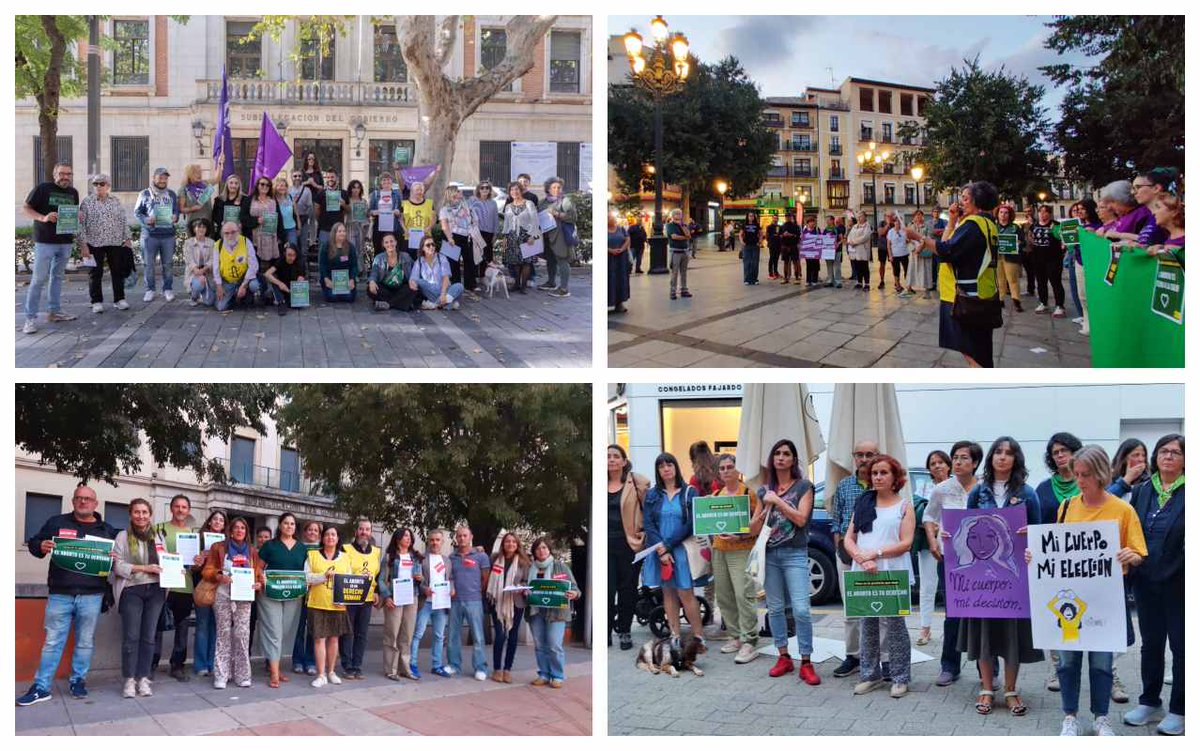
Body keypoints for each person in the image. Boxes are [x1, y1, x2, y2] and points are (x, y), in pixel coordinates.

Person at [1034, 446, 1147, 737]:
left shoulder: (1123, 509)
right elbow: (1055, 550)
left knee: (1102, 663)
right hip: (1071, 598)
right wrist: (1035, 557)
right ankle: (1069, 716)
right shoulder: (1068, 506)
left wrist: (1129, 555)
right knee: (1068, 661)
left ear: (1100, 474)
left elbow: (1138, 552)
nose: (1079, 480)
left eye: (1085, 475)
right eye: (1077, 474)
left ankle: (1101, 718)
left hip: (1105, 598)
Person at [961, 438, 1043, 715]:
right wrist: (949, 537)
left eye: (1009, 453)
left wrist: (1028, 536)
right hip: (981, 579)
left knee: (1011, 635)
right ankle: (986, 688)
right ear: (991, 457)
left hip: (1015, 576)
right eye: (998, 452)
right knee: (984, 632)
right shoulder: (978, 492)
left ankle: (1010, 689)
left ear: (1016, 459)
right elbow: (965, 527)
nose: (1002, 457)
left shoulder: (1028, 494)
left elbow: (1039, 535)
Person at [18, 484, 118, 705]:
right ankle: (41, 687)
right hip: (60, 593)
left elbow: (118, 561)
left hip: (92, 595)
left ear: (95, 503)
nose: (83, 502)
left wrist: (114, 558)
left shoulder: (107, 530)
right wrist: (39, 545)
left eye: (88, 499)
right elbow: (35, 544)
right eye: (79, 498)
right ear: (73, 501)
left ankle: (78, 681)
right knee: (52, 641)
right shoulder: (57, 522)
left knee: (84, 642)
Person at [1122, 434, 1184, 735]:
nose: (1168, 456)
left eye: (1175, 452)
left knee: (1183, 648)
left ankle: (1180, 709)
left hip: (1180, 584)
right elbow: (1133, 530)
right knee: (1151, 645)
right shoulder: (1144, 489)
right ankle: (1149, 701)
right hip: (1145, 581)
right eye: (1163, 451)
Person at [905, 181, 1002, 368]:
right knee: (979, 349)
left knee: (971, 350)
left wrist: (918, 237)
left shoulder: (973, 224)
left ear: (977, 201)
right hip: (983, 294)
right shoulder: (987, 223)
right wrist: (951, 221)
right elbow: (946, 242)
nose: (960, 203)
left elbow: (945, 250)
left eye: (965, 199)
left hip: (967, 297)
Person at [844, 454, 916, 698]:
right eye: (874, 473)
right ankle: (870, 674)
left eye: (884, 472)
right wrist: (862, 558)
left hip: (892, 571)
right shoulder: (864, 502)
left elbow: (906, 543)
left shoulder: (904, 506)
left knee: (895, 625)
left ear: (895, 477)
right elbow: (849, 539)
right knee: (868, 624)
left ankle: (900, 677)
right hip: (864, 570)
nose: (878, 477)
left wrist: (874, 553)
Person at [754, 438, 820, 684]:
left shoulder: (804, 486)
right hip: (769, 555)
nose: (781, 457)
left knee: (802, 610)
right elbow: (753, 527)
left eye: (786, 454)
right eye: (777, 453)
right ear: (772, 460)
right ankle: (783, 656)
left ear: (793, 460)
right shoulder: (763, 490)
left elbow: (802, 519)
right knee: (775, 608)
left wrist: (778, 502)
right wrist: (757, 516)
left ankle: (806, 661)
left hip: (794, 553)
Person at [925, 440, 982, 686]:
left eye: (964, 458)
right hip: (950, 558)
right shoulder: (942, 489)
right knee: (954, 614)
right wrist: (932, 541)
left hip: (982, 561)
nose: (957, 462)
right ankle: (949, 666)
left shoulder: (985, 489)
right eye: (955, 457)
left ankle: (988, 671)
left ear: (976, 462)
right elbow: (929, 515)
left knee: (984, 614)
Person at [643, 452, 706, 646]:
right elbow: (649, 524)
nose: (666, 469)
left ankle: (698, 637)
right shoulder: (652, 495)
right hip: (660, 551)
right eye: (661, 466)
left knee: (686, 593)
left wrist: (668, 546)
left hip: (681, 550)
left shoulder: (690, 492)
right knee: (668, 593)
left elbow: (691, 524)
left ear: (676, 467)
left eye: (669, 465)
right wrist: (661, 550)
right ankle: (675, 635)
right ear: (658, 471)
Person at [830, 440, 879, 677]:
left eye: (869, 454)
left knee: (878, 608)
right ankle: (853, 656)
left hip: (876, 555)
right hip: (848, 554)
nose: (864, 458)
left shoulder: (883, 484)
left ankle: (881, 658)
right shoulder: (844, 485)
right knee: (851, 608)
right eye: (859, 454)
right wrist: (839, 549)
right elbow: (836, 519)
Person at [111, 498, 166, 699]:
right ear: (130, 514)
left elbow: (164, 560)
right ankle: (129, 679)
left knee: (148, 637)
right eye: (137, 512)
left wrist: (170, 562)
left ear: (150, 514)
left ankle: (143, 678)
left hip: (156, 590)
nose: (141, 516)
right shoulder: (123, 536)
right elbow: (118, 566)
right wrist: (144, 568)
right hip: (131, 589)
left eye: (144, 512)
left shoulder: (158, 535)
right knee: (131, 637)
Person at [201, 516, 263, 689]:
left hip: (244, 596)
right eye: (236, 527)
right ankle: (222, 674)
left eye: (242, 528)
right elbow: (207, 571)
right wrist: (219, 576)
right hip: (223, 594)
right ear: (230, 530)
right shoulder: (219, 547)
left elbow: (258, 574)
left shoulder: (252, 551)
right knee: (223, 634)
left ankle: (242, 675)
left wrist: (259, 583)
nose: (239, 530)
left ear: (246, 532)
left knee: (242, 635)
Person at [711, 453, 761, 664]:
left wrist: (740, 534)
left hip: (742, 548)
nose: (726, 471)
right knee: (723, 595)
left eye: (729, 467)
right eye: (722, 468)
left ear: (737, 469)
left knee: (743, 594)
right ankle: (734, 636)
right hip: (719, 548)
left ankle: (749, 639)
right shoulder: (715, 496)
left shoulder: (749, 493)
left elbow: (758, 524)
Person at [22, 162, 81, 333]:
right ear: (55, 174)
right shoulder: (43, 188)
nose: (65, 177)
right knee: (38, 279)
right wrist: (43, 218)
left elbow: (72, 214)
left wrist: (78, 216)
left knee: (57, 277)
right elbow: (25, 208)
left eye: (69, 174)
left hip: (65, 241)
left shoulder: (73, 192)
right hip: (45, 242)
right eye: (62, 173)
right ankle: (30, 319)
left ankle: (54, 312)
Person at [255, 512, 307, 689]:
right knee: (274, 630)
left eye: (292, 524)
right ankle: (275, 673)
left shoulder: (302, 548)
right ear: (280, 525)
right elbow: (258, 567)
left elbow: (306, 572)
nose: (289, 526)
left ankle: (275, 667)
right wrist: (260, 578)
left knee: (286, 631)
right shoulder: (270, 545)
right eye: (286, 523)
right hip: (270, 594)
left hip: (293, 594)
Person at [151, 494, 199, 681]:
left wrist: (196, 562)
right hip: (163, 586)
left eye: (184, 507)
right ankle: (152, 664)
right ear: (171, 508)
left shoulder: (192, 534)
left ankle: (177, 665)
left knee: (182, 628)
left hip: (185, 586)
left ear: (188, 510)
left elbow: (195, 566)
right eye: (177, 506)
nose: (180, 510)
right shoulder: (158, 529)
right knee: (157, 626)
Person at [607, 444, 648, 651]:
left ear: (624, 461)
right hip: (606, 545)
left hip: (629, 544)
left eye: (616, 456)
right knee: (607, 589)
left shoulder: (636, 482)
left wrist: (644, 535)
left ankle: (624, 631)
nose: (611, 460)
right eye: (608, 457)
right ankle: (605, 632)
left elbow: (648, 508)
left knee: (627, 590)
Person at [526, 536, 580, 688]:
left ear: (549, 550)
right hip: (536, 611)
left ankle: (557, 675)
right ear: (534, 552)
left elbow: (575, 588)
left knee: (554, 644)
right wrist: (524, 591)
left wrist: (573, 594)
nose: (541, 551)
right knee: (539, 644)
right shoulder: (530, 568)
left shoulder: (560, 567)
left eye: (544, 547)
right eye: (538, 548)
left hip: (556, 613)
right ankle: (543, 674)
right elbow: (525, 586)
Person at [76, 172, 132, 314]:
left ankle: (119, 299)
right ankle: (96, 301)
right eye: (95, 184)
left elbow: (123, 220)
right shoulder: (87, 202)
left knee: (117, 272)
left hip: (115, 241)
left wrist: (128, 238)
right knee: (95, 273)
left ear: (108, 186)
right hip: (94, 242)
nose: (98, 186)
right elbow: (80, 225)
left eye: (102, 184)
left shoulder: (115, 201)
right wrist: (83, 244)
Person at [304, 524, 352, 688]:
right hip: (317, 603)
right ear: (322, 538)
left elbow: (350, 581)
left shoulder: (345, 558)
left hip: (337, 604)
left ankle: (331, 672)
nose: (330, 537)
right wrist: (323, 577)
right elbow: (307, 578)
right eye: (327, 535)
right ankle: (320, 674)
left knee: (334, 639)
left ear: (338, 539)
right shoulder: (312, 555)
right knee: (319, 639)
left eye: (334, 535)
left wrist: (346, 598)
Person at [916, 450, 952, 646]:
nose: (937, 466)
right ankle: (925, 627)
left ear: (948, 465)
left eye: (940, 462)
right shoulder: (922, 488)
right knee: (928, 586)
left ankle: (951, 628)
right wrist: (932, 527)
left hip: (951, 542)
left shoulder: (957, 487)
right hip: (927, 542)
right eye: (933, 463)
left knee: (951, 590)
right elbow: (920, 515)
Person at [338, 518, 380, 680]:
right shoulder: (346, 549)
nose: (364, 532)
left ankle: (357, 666)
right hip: (349, 597)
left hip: (367, 599)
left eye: (367, 529)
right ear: (356, 531)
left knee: (362, 634)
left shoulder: (376, 552)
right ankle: (347, 666)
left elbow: (378, 574)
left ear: (371, 532)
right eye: (361, 529)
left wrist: (376, 591)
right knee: (348, 633)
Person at [447, 524, 491, 680]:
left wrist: (477, 592)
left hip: (474, 601)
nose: (462, 538)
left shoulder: (481, 556)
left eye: (465, 535)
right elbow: (449, 577)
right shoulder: (452, 557)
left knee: (478, 636)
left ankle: (480, 668)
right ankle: (453, 665)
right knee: (453, 635)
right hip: (455, 601)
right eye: (459, 536)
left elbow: (485, 577)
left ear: (471, 537)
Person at [378, 528, 422, 680]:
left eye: (410, 536)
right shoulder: (390, 557)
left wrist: (419, 579)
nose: (408, 538)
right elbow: (381, 579)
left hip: (411, 597)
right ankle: (391, 669)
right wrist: (387, 596)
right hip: (395, 597)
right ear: (397, 539)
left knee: (407, 634)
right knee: (392, 633)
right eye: (405, 536)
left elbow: (420, 579)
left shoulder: (415, 557)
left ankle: (405, 668)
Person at [486, 532, 530, 683]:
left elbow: (527, 581)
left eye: (513, 542)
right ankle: (497, 669)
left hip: (516, 603)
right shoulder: (494, 558)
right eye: (507, 541)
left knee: (512, 636)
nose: (510, 544)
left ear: (517, 545)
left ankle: (507, 669)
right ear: (503, 544)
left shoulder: (524, 562)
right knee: (500, 635)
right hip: (497, 601)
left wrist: (521, 587)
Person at [133, 166, 181, 303]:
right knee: (149, 264)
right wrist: (146, 220)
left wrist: (175, 217)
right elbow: (137, 212)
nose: (162, 180)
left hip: (168, 235)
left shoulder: (171, 194)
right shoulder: (145, 194)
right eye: (160, 177)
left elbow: (176, 211)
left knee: (168, 264)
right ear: (154, 178)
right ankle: (150, 290)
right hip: (150, 235)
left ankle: (168, 288)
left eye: (165, 177)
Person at [412, 529, 453, 678]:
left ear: (442, 542)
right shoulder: (422, 559)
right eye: (432, 540)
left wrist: (452, 589)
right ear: (428, 541)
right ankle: (412, 664)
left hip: (441, 603)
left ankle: (436, 665)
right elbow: (417, 581)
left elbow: (451, 579)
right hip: (426, 602)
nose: (434, 542)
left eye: (437, 540)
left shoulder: (447, 560)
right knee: (418, 634)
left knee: (439, 636)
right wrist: (424, 589)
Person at [193, 509, 227, 678]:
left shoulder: (227, 544)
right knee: (202, 625)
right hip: (205, 587)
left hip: (222, 588)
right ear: (209, 522)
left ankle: (213, 663)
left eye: (221, 520)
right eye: (215, 519)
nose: (218, 522)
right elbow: (193, 567)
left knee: (217, 626)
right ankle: (200, 664)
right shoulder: (199, 541)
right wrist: (200, 558)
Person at [291, 520, 321, 676]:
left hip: (316, 593)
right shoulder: (298, 548)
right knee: (298, 627)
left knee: (312, 629)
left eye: (316, 530)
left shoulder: (322, 550)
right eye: (310, 530)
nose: (312, 532)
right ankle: (297, 660)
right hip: (300, 592)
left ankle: (310, 661)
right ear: (304, 532)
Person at [538, 177, 575, 298]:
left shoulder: (565, 201)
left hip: (560, 236)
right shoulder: (543, 202)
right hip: (546, 235)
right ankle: (551, 282)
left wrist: (557, 214)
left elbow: (573, 217)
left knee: (562, 260)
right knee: (550, 259)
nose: (557, 189)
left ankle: (564, 288)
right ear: (548, 189)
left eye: (559, 187)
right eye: (553, 187)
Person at [501, 181, 541, 293]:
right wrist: (505, 238)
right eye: (512, 190)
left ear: (521, 190)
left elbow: (535, 220)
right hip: (512, 236)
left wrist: (533, 236)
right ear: (509, 192)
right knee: (515, 262)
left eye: (517, 189)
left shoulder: (529, 203)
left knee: (527, 262)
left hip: (526, 236)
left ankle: (523, 286)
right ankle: (517, 284)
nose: (514, 192)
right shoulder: (508, 206)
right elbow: (506, 223)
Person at [1036, 432, 1083, 525]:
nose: (1060, 455)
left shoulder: (1088, 483)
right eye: (1055, 453)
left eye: (1064, 450)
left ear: (1074, 452)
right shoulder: (1043, 489)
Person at [1026, 204, 1066, 317]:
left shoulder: (1056, 225)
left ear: (1050, 213)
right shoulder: (1034, 225)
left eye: (1045, 212)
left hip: (1053, 259)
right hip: (1038, 259)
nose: (1043, 214)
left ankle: (1060, 306)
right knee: (1041, 282)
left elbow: (1061, 238)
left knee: (1055, 282)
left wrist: (1056, 232)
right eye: (1040, 212)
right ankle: (1043, 303)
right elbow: (1030, 236)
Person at [249, 176, 285, 297]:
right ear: (257, 186)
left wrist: (282, 237)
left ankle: (273, 293)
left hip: (270, 238)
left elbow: (279, 218)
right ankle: (259, 290)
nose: (264, 187)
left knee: (271, 266)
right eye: (262, 184)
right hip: (255, 238)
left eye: (267, 185)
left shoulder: (273, 201)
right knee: (256, 265)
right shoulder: (250, 200)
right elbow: (244, 218)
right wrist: (256, 221)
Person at [213, 220, 261, 311]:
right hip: (227, 281)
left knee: (254, 285)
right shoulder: (218, 245)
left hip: (243, 279)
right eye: (226, 233)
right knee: (221, 307)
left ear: (238, 231)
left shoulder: (246, 242)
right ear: (222, 234)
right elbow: (215, 268)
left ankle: (247, 294)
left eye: (233, 232)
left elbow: (253, 265)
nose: (230, 236)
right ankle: (234, 297)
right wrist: (219, 286)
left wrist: (244, 285)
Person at [439, 184, 478, 291]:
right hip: (452, 236)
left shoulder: (465, 205)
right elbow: (444, 225)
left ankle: (470, 285)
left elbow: (472, 218)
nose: (461, 193)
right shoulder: (445, 209)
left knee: (469, 260)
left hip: (466, 236)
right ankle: (456, 286)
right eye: (458, 191)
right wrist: (450, 238)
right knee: (453, 263)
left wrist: (473, 228)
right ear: (452, 193)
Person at [367, 234, 419, 312]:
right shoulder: (379, 258)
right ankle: (402, 302)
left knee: (412, 289)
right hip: (386, 288)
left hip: (401, 287)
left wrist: (413, 280)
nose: (389, 244)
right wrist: (372, 281)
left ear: (396, 242)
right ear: (383, 245)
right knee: (370, 289)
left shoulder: (405, 256)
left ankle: (388, 304)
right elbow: (374, 272)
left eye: (391, 241)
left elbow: (415, 270)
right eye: (386, 242)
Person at [410, 235, 464, 310]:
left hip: (444, 289)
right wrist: (414, 284)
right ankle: (447, 303)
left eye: (433, 244)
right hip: (430, 291)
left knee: (459, 286)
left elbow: (446, 277)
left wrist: (443, 293)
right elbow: (413, 279)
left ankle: (435, 304)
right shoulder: (419, 261)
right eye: (428, 245)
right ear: (423, 248)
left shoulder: (441, 258)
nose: (431, 247)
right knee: (418, 281)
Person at [994, 205, 1025, 312]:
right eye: (1001, 212)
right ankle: (1000, 300)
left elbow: (1022, 241)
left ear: (1010, 215)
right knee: (999, 280)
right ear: (997, 214)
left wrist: (1017, 243)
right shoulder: (994, 227)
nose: (1003, 215)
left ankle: (1016, 301)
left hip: (1011, 257)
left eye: (1006, 213)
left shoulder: (1015, 227)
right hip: (997, 257)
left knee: (1013, 279)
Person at [319, 222, 358, 303]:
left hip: (346, 280)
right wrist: (326, 279)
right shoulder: (326, 246)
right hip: (330, 279)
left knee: (349, 298)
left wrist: (351, 279)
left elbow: (354, 265)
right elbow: (322, 264)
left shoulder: (350, 247)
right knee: (332, 297)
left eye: (344, 231)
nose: (342, 233)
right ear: (334, 233)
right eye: (339, 231)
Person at [263, 242, 307, 314]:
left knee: (297, 306)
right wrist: (280, 283)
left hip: (293, 289)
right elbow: (267, 274)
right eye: (289, 255)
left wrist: (301, 279)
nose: (292, 258)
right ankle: (281, 302)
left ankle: (281, 300)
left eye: (294, 255)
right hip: (282, 287)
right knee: (274, 281)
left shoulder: (300, 262)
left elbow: (303, 275)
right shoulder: (281, 261)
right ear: (284, 254)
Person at [183, 217, 217, 307]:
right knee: (198, 284)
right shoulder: (188, 243)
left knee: (209, 302)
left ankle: (203, 294)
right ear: (194, 229)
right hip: (194, 273)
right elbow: (189, 260)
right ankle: (194, 296)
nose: (201, 229)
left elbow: (213, 259)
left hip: (208, 273)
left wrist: (204, 270)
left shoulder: (212, 242)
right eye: (199, 227)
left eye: (204, 227)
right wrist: (197, 272)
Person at [178, 159, 221, 228]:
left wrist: (219, 164)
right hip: (193, 225)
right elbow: (181, 209)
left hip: (207, 223)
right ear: (189, 174)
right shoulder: (184, 189)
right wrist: (192, 208)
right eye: (196, 173)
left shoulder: (205, 184)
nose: (199, 175)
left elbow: (217, 179)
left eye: (200, 172)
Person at [402, 180, 436, 261]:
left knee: (425, 259)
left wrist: (429, 227)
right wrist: (405, 229)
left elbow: (434, 218)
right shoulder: (405, 204)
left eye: (421, 190)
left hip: (425, 237)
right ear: (412, 191)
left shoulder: (429, 203)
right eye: (417, 190)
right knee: (410, 260)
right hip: (410, 238)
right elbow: (401, 219)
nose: (419, 192)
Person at [315, 170, 349, 252]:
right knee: (323, 253)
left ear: (337, 178)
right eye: (328, 177)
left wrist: (343, 204)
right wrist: (321, 220)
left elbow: (348, 210)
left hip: (339, 230)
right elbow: (316, 210)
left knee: (340, 252)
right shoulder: (321, 193)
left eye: (332, 177)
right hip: (324, 229)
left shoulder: (344, 193)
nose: (330, 179)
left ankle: (339, 265)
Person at [470, 181, 499, 276]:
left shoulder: (493, 203)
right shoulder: (472, 200)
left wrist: (495, 234)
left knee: (486, 256)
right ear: (478, 189)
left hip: (488, 232)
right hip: (476, 232)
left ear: (490, 190)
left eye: (487, 188)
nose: (484, 189)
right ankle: (474, 278)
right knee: (475, 255)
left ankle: (482, 276)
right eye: (482, 188)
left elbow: (495, 219)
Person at [287, 171, 315, 266]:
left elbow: (310, 206)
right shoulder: (288, 190)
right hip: (291, 220)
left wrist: (309, 220)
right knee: (293, 245)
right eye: (295, 176)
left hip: (303, 219)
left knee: (303, 246)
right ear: (291, 178)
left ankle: (303, 269)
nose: (297, 178)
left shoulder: (307, 190)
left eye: (299, 176)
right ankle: (293, 268)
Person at [211, 173, 250, 239]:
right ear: (227, 185)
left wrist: (241, 223)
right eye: (231, 183)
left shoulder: (245, 200)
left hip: (239, 233)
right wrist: (222, 222)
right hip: (223, 233)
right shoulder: (219, 200)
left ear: (239, 186)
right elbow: (215, 216)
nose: (233, 185)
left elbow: (247, 216)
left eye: (236, 183)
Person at [907, 210, 934, 298]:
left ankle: (927, 291)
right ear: (914, 217)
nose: (918, 217)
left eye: (920, 215)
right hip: (914, 250)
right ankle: (909, 288)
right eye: (916, 215)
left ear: (923, 216)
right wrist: (912, 243)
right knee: (911, 268)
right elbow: (907, 237)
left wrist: (921, 244)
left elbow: (929, 237)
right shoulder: (910, 226)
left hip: (924, 250)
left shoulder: (927, 226)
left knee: (926, 270)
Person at [666, 209, 693, 299]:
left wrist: (682, 227)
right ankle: (673, 292)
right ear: (673, 216)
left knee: (684, 272)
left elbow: (689, 235)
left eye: (680, 214)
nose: (678, 215)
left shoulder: (684, 225)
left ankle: (684, 290)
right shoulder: (670, 225)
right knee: (674, 272)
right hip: (675, 251)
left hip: (685, 251)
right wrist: (685, 237)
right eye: (676, 214)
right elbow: (674, 237)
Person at [608, 213, 631, 313]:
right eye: (609, 218)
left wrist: (622, 249)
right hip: (608, 260)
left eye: (612, 217)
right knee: (609, 280)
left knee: (620, 280)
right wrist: (610, 250)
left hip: (621, 259)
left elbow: (627, 239)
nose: (612, 219)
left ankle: (619, 303)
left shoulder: (621, 229)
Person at [884, 211, 912, 295]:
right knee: (896, 270)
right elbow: (888, 245)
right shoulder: (890, 232)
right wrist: (890, 255)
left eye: (899, 222)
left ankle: (908, 286)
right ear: (894, 223)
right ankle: (898, 285)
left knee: (907, 270)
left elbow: (908, 241)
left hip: (904, 253)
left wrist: (908, 240)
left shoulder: (904, 231)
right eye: (896, 222)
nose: (898, 224)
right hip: (895, 254)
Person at [273, 177, 300, 254]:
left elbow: (296, 213)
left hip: (291, 228)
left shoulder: (290, 197)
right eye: (280, 185)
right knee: (281, 251)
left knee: (293, 250)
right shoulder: (273, 200)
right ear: (276, 187)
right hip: (280, 230)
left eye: (284, 186)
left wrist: (298, 226)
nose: (282, 188)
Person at [344, 179, 369, 262]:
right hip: (349, 227)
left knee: (360, 250)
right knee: (350, 250)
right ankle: (349, 268)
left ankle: (359, 269)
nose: (356, 190)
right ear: (350, 189)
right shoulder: (347, 201)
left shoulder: (364, 202)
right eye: (354, 187)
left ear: (360, 189)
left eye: (358, 188)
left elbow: (367, 217)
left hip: (360, 228)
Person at [846, 212, 873, 291]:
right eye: (858, 217)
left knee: (864, 267)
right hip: (855, 251)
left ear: (865, 217)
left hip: (863, 250)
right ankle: (859, 282)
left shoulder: (867, 226)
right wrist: (849, 241)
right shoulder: (854, 226)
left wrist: (854, 242)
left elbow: (865, 237)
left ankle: (867, 284)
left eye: (861, 216)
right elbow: (850, 235)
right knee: (857, 267)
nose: (859, 218)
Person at [778, 211, 801, 285]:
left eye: (789, 216)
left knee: (795, 262)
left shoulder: (796, 226)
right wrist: (783, 235)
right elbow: (779, 236)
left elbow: (798, 236)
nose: (788, 218)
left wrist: (791, 235)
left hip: (793, 246)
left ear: (791, 217)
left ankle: (797, 278)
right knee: (785, 262)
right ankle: (785, 278)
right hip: (785, 246)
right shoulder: (782, 226)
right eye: (786, 216)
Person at [822, 214, 843, 288]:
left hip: (837, 250)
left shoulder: (837, 229)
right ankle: (830, 280)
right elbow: (823, 239)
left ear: (832, 220)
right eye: (826, 220)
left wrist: (838, 243)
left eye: (828, 220)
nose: (827, 221)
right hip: (828, 251)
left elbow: (842, 239)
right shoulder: (826, 229)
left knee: (837, 266)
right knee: (829, 266)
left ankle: (838, 281)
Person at [801, 214, 822, 287]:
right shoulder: (805, 230)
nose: (812, 223)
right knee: (809, 265)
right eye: (810, 222)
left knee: (815, 265)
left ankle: (814, 280)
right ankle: (808, 280)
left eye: (813, 222)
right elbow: (802, 239)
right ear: (808, 223)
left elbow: (820, 238)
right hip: (808, 251)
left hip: (815, 251)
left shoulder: (817, 229)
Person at [742, 211, 763, 285]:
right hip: (747, 246)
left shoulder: (757, 225)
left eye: (752, 216)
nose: (751, 217)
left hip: (755, 246)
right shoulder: (744, 225)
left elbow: (761, 234)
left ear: (754, 217)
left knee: (755, 263)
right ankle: (747, 279)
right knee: (747, 263)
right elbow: (740, 234)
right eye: (750, 216)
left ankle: (754, 279)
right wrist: (742, 242)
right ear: (747, 217)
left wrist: (759, 242)